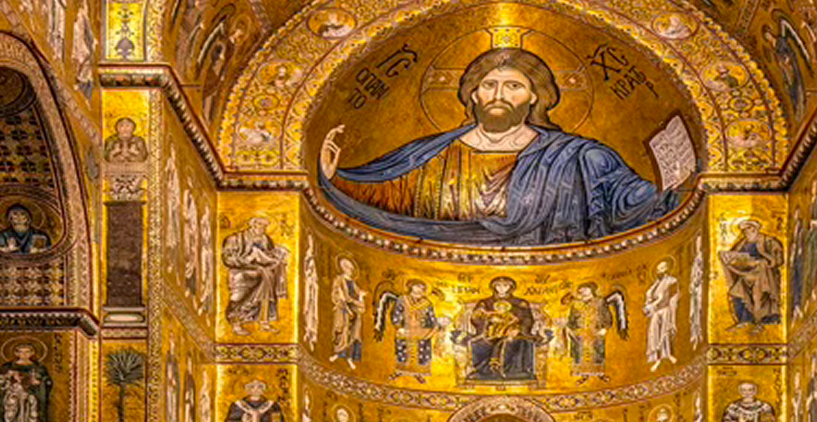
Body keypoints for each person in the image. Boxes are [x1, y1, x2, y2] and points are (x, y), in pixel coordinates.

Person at [319, 47, 683, 245]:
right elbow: (382, 196)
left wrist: (678, 185)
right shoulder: (430, 154)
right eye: (489, 85)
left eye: (513, 86)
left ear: (534, 97)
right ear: (472, 95)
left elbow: (632, 204)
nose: (499, 95)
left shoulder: (581, 157)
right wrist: (335, 176)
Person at [221, 216, 288, 333]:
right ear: (253, 225)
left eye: (265, 226)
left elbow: (269, 254)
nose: (263, 229)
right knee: (238, 297)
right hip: (242, 272)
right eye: (261, 225)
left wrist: (277, 258)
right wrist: (248, 259)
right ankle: (235, 322)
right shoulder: (235, 239)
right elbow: (228, 259)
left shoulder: (265, 240)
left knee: (267, 283)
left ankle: (264, 321)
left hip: (261, 272)